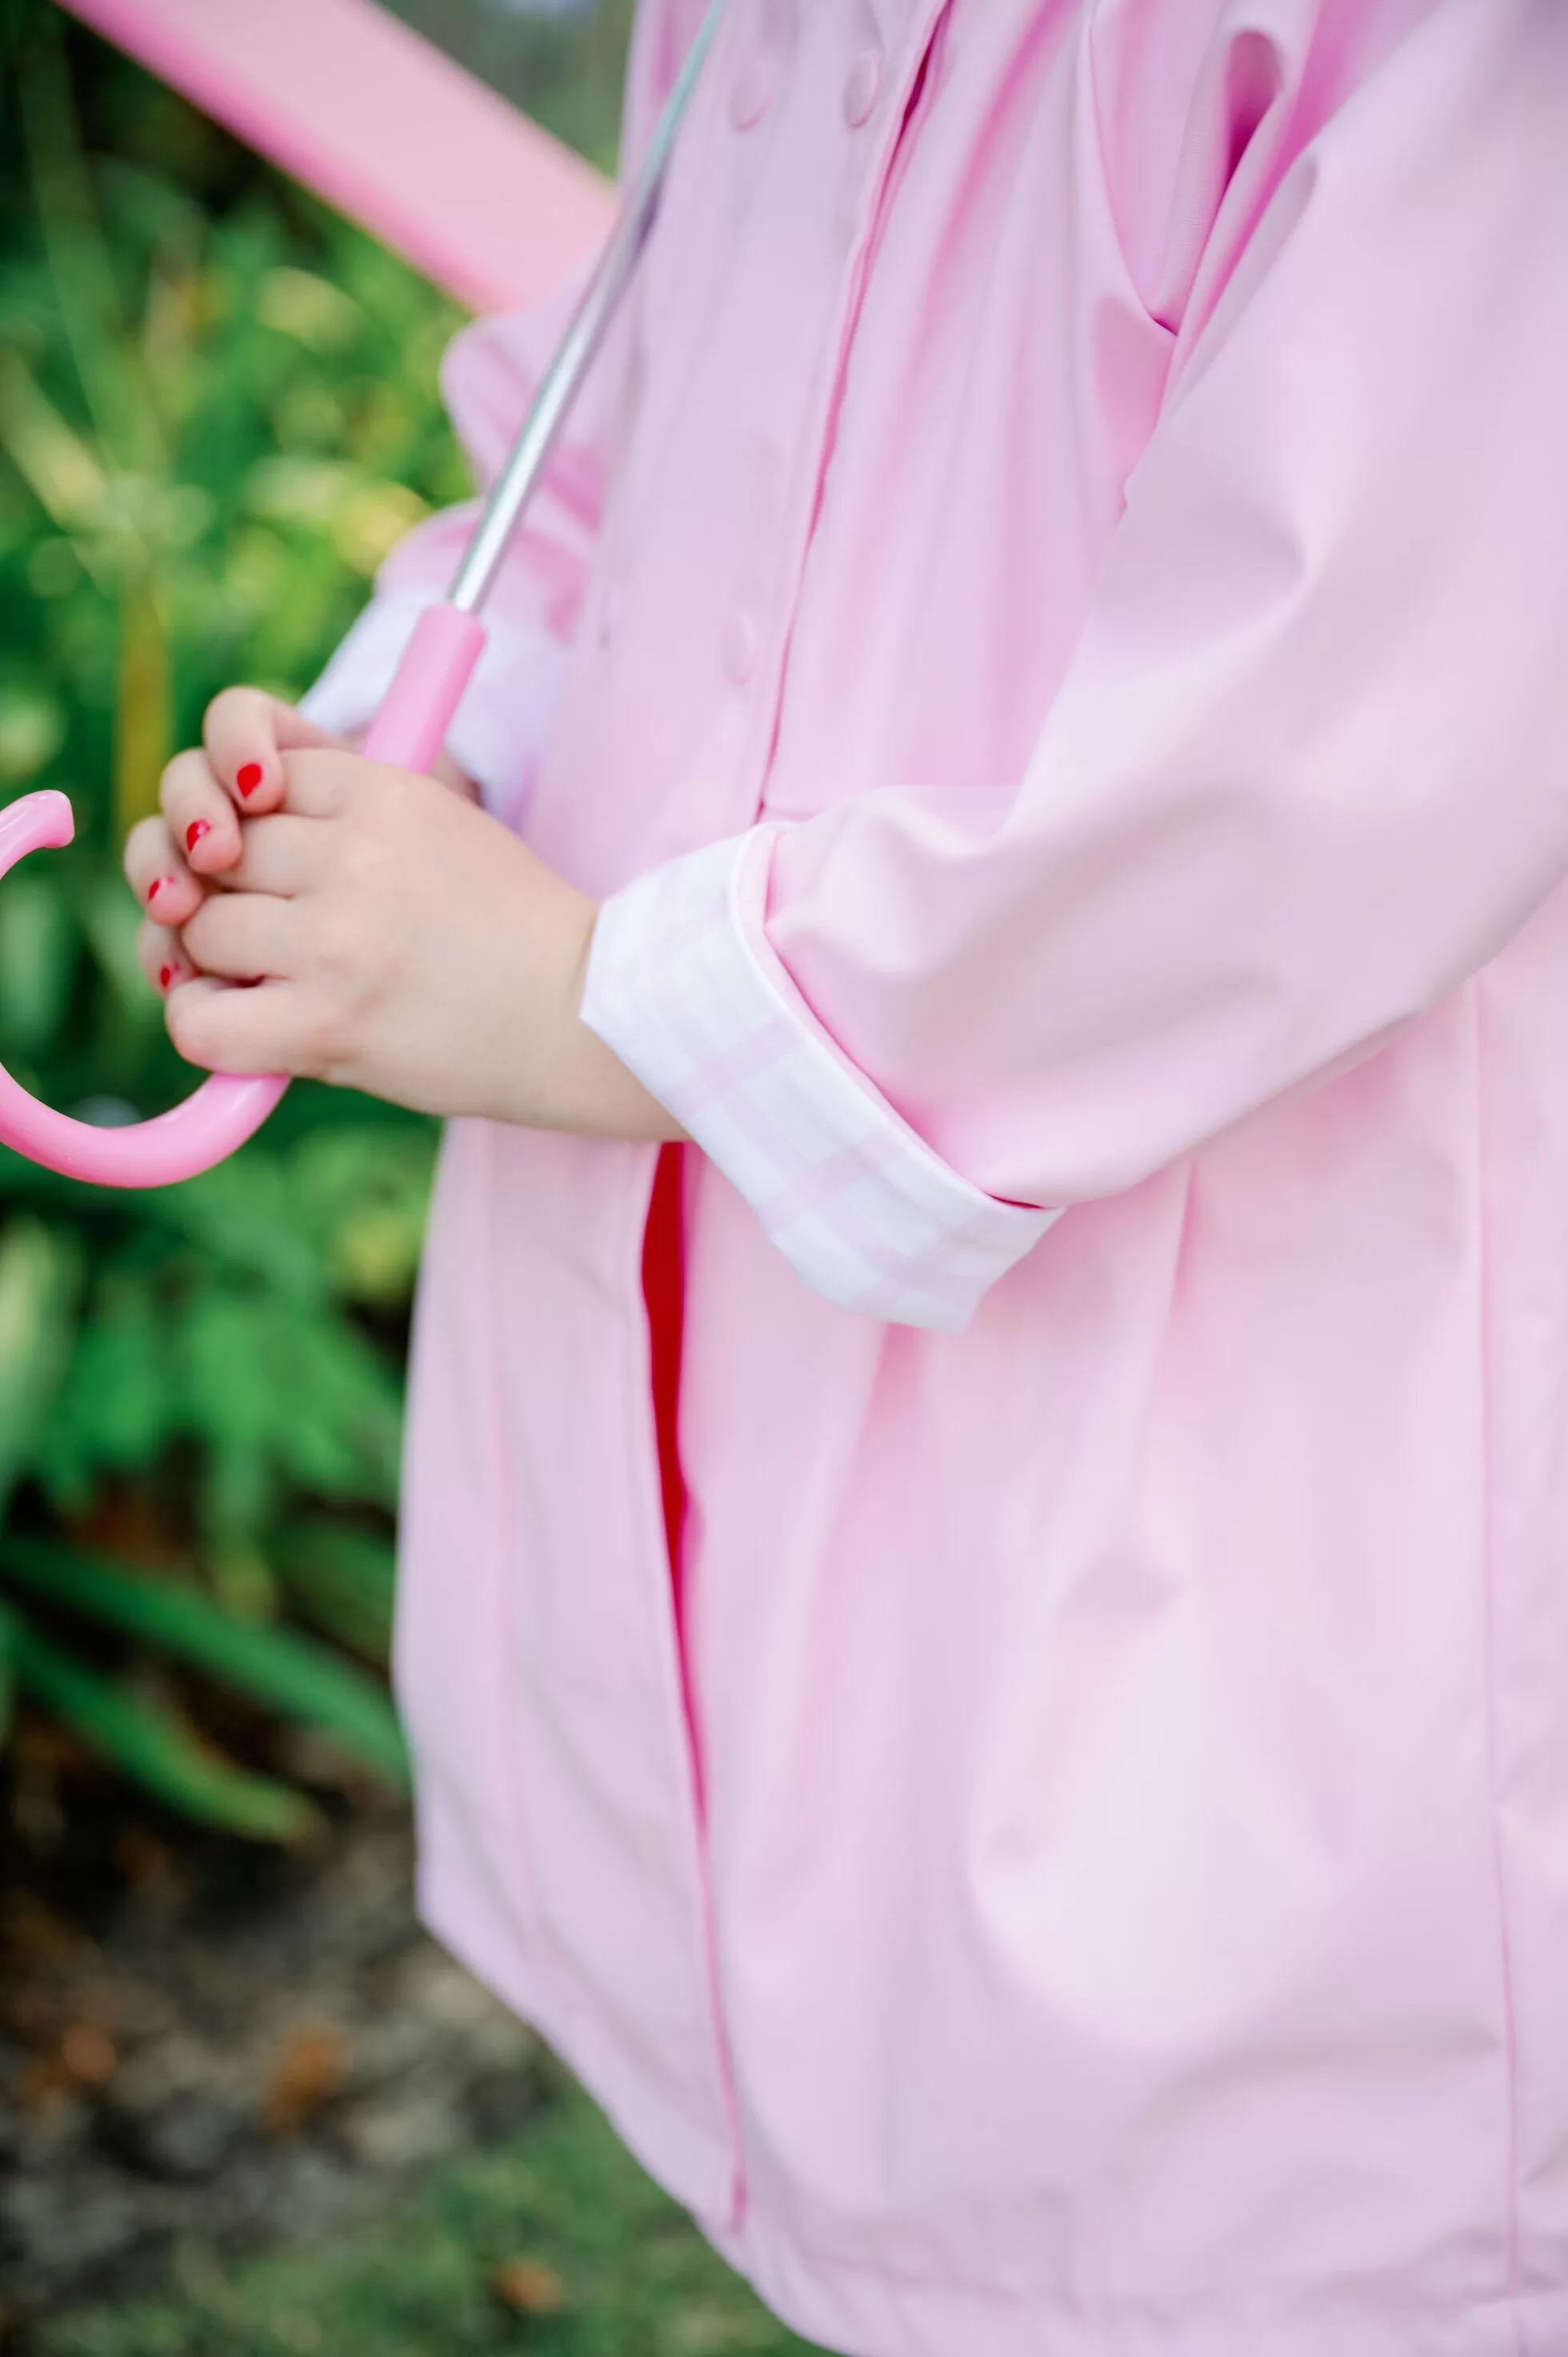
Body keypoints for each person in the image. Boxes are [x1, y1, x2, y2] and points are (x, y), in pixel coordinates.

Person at [123, 2, 1568, 2349]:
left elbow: (1336, 729)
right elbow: (638, 400)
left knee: (1216, 2209)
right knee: (879, 2077)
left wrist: (592, 994)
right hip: (776, 1388)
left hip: (1224, 1369)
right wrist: (434, 745)